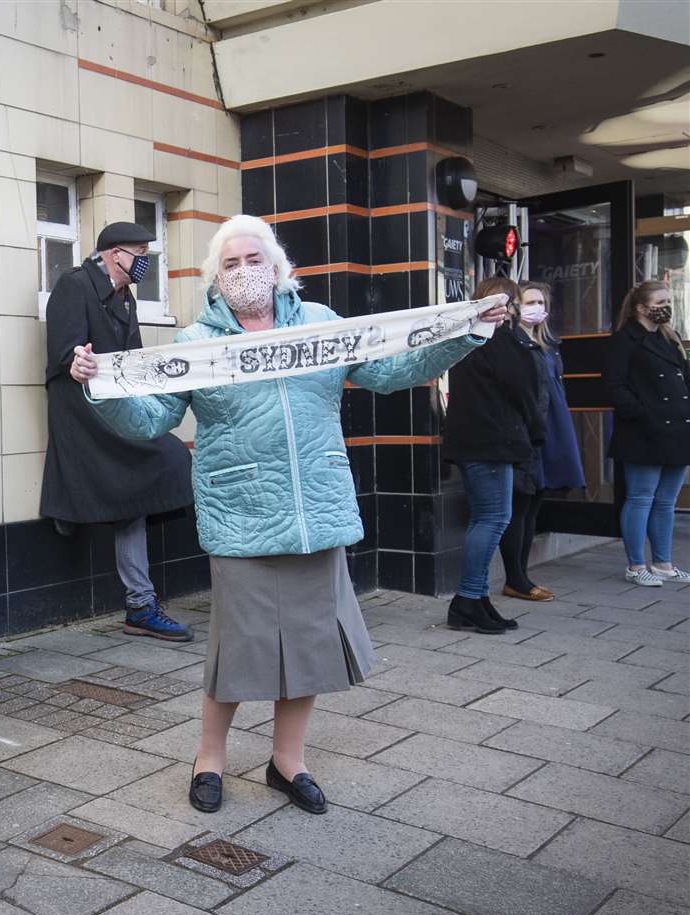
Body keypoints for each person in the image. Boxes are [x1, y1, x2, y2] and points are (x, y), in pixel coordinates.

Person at [69, 214, 507, 815]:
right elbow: (150, 419)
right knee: (238, 648)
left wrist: (467, 333)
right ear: (214, 279)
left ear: (277, 267)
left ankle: (287, 761)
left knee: (308, 648)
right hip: (240, 514)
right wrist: (101, 388)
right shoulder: (198, 340)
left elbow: (390, 371)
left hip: (316, 510)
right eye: (231, 263)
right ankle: (209, 759)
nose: (244, 270)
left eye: (254, 259)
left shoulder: (323, 325)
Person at [41, 222, 196, 642]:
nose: (145, 260)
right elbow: (63, 356)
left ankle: (140, 604)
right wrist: (79, 363)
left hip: (117, 407)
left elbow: (135, 360)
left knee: (159, 468)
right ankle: (139, 603)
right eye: (138, 251)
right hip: (84, 409)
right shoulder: (75, 286)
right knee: (153, 465)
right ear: (112, 254)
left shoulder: (126, 297)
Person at [440, 277, 545, 633]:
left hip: (479, 442)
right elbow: (523, 389)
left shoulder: (473, 336)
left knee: (486, 519)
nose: (521, 310)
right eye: (517, 302)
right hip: (491, 442)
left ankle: (477, 598)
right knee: (494, 519)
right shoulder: (498, 338)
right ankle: (468, 599)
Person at [497, 281, 585, 600]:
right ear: (516, 306)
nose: (537, 307)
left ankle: (522, 575)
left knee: (535, 503)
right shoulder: (512, 343)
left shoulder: (549, 345)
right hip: (527, 428)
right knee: (520, 504)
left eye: (541, 301)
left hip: (552, 427)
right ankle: (515, 578)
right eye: (530, 301)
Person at [604, 280, 690, 585]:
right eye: (660, 302)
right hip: (644, 432)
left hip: (678, 430)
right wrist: (644, 415)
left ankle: (663, 563)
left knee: (666, 501)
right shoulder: (624, 340)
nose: (666, 307)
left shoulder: (670, 338)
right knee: (641, 498)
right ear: (641, 307)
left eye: (668, 300)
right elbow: (615, 386)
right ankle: (636, 565)